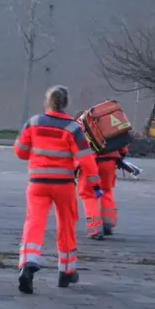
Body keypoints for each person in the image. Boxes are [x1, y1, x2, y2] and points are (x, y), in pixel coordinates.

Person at [13, 85, 103, 294]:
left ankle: (28, 265)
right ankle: (66, 271)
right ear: (66, 104)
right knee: (66, 224)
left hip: (37, 183)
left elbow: (20, 152)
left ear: (47, 101)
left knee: (34, 222)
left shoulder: (33, 123)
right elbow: (86, 159)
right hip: (63, 185)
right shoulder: (73, 128)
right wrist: (95, 183)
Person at [74, 110, 127, 240]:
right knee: (106, 190)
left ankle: (95, 229)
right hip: (110, 161)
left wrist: (74, 168)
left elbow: (76, 149)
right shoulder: (105, 123)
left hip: (91, 162)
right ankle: (108, 222)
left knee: (88, 195)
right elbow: (122, 146)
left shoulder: (78, 126)